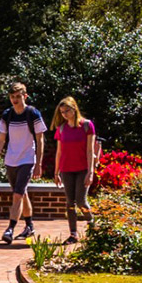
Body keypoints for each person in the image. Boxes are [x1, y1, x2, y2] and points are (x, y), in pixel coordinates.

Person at [0, 82, 46, 244]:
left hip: (27, 159)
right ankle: (29, 226)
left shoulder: (33, 113)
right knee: (21, 193)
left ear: (24, 96)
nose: (15, 100)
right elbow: (1, 139)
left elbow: (40, 139)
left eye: (18, 97)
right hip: (11, 160)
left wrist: (38, 163)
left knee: (17, 194)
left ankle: (10, 229)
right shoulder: (8, 115)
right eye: (12, 97)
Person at [51, 96, 96, 244]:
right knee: (70, 202)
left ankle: (93, 225)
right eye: (62, 112)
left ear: (74, 108)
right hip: (66, 169)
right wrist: (56, 172)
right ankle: (73, 233)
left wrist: (90, 172)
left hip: (82, 168)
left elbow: (90, 151)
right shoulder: (62, 128)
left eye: (67, 111)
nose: (64, 114)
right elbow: (59, 152)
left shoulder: (87, 126)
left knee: (81, 201)